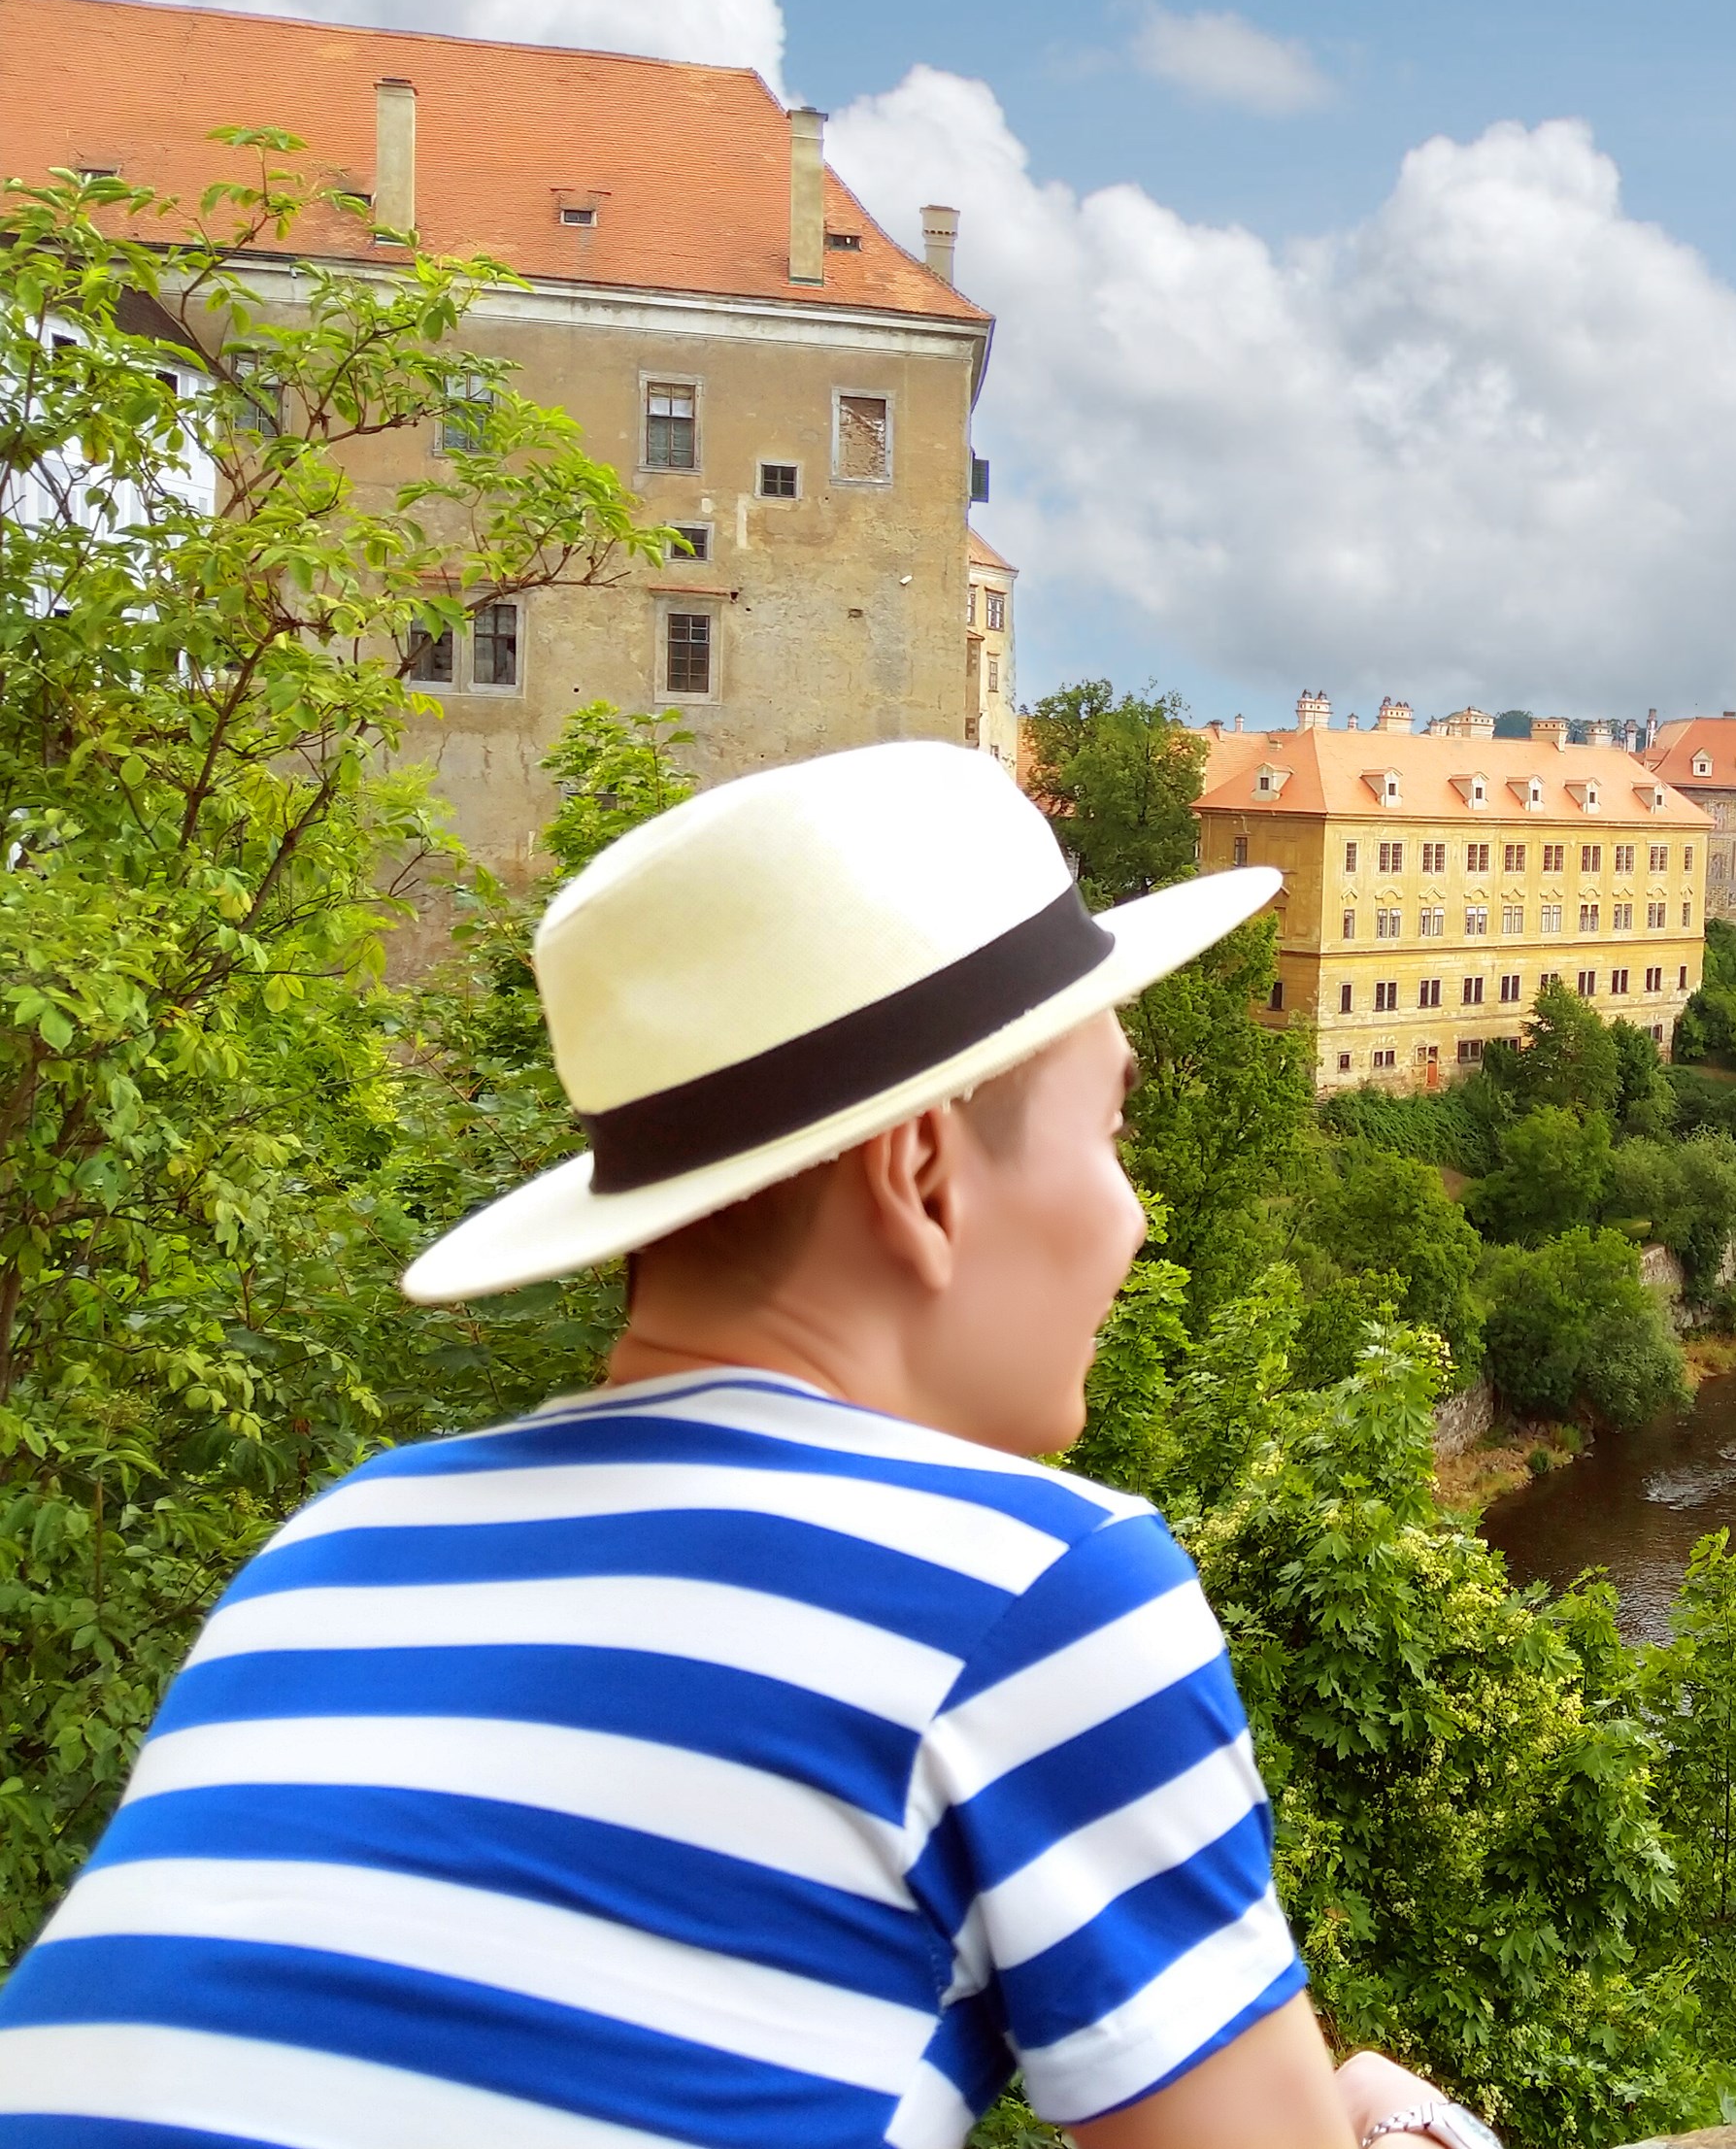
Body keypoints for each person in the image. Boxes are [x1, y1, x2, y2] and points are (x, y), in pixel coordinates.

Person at [0, 748, 1495, 2149]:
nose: (1133, 1215)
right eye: (1111, 1129)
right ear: (922, 1174)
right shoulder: (1037, 1589)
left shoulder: (332, 1546)